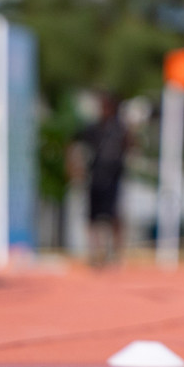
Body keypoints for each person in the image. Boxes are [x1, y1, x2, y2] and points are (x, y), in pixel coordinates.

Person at [72, 94, 130, 268]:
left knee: (114, 216)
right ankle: (95, 254)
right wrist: (74, 167)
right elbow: (73, 142)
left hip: (113, 178)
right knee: (92, 217)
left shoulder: (120, 129)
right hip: (95, 177)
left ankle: (117, 255)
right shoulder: (93, 129)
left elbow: (130, 145)